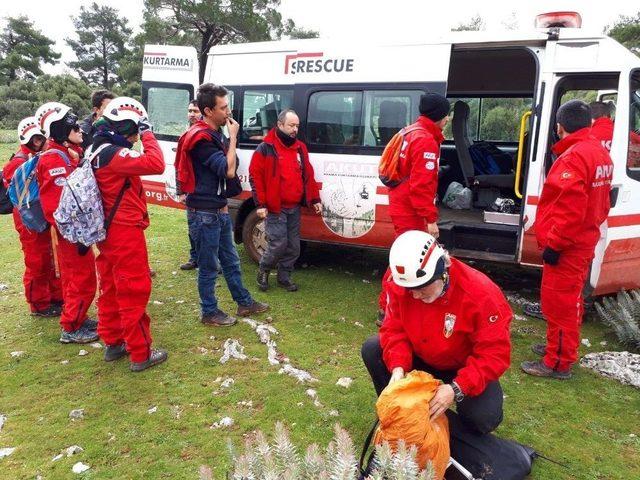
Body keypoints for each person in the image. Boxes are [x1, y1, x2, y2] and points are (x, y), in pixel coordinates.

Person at [362, 230, 512, 434]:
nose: (415, 295)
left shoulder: (481, 294)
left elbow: (494, 355)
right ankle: (400, 414)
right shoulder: (401, 281)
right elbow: (393, 328)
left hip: (462, 364)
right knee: (373, 349)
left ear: (443, 270)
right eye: (410, 289)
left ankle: (453, 435)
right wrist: (398, 367)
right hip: (420, 356)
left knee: (484, 418)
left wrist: (456, 388)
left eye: (422, 287)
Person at [521, 100, 613, 380]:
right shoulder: (599, 153)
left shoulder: (574, 157)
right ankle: (558, 347)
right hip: (583, 241)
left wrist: (555, 244)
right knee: (569, 301)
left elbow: (569, 209)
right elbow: (602, 203)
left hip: (567, 246)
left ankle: (557, 362)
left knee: (560, 303)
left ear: (560, 127)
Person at [176, 83, 268, 326]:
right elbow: (227, 170)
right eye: (223, 107)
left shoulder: (214, 133)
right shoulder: (201, 139)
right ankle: (209, 312)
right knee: (208, 266)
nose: (228, 112)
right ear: (208, 110)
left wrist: (222, 205)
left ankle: (244, 302)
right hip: (204, 212)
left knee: (231, 260)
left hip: (217, 209)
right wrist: (234, 137)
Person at [90, 97, 168, 371]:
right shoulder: (115, 154)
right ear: (125, 127)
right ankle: (140, 353)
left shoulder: (96, 149)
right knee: (134, 288)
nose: (136, 137)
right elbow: (156, 163)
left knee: (111, 287)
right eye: (134, 130)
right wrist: (148, 132)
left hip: (107, 231)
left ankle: (113, 342)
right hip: (124, 232)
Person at [377, 93, 451, 325]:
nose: (448, 119)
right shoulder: (426, 140)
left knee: (403, 255)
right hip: (410, 209)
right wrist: (430, 219)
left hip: (402, 203)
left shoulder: (410, 132)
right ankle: (388, 307)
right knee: (404, 258)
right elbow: (421, 187)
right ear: (440, 116)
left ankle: (388, 305)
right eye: (447, 115)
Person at [34, 102, 98, 344]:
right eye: (73, 125)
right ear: (61, 129)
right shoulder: (53, 160)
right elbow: (56, 205)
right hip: (71, 233)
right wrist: (76, 233)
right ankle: (71, 327)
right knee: (81, 278)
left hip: (74, 231)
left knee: (77, 277)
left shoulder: (62, 154)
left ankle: (77, 317)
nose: (80, 129)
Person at [249, 108, 322, 292]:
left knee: (294, 247)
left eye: (297, 126)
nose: (294, 129)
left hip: (294, 207)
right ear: (280, 125)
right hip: (276, 208)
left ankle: (284, 276)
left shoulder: (300, 148)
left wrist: (314, 199)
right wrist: (261, 204)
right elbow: (255, 177)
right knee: (278, 243)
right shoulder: (265, 148)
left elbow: (308, 175)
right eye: (291, 125)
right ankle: (264, 270)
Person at [2, 116, 62, 317]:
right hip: (29, 218)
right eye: (34, 138)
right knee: (37, 261)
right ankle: (39, 304)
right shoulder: (19, 162)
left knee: (52, 257)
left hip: (40, 214)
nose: (38, 141)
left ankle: (56, 297)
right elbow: (19, 196)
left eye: (39, 137)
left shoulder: (39, 157)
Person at [180, 100, 203, 271]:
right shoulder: (185, 134)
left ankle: (207, 260)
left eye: (195, 111)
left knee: (207, 228)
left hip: (205, 190)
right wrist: (181, 191)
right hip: (190, 190)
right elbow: (179, 166)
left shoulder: (212, 133)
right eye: (190, 111)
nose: (192, 114)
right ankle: (194, 257)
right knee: (192, 226)